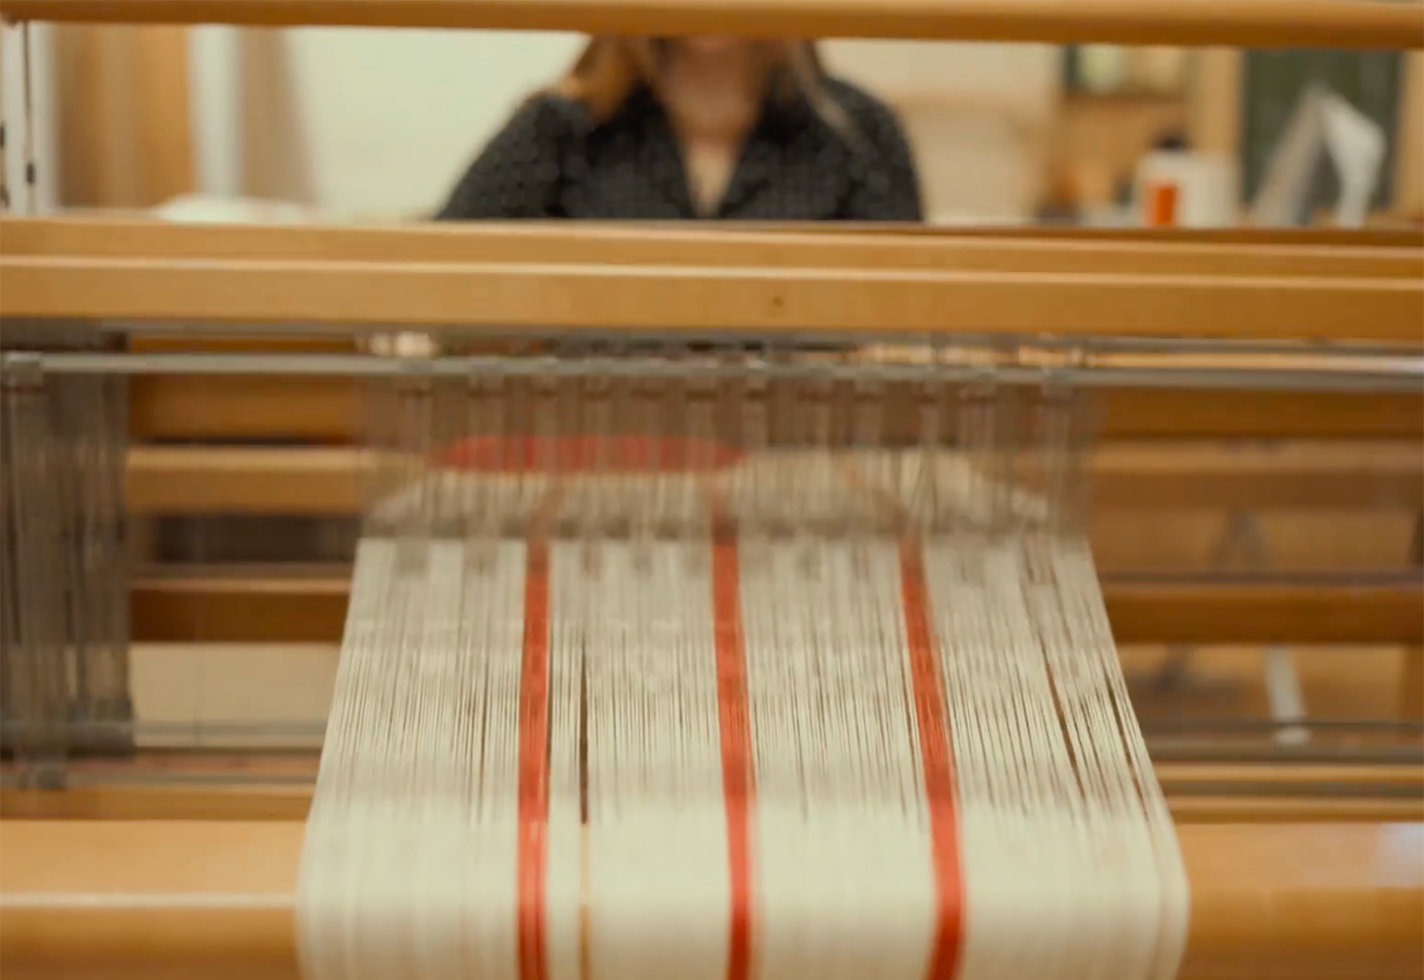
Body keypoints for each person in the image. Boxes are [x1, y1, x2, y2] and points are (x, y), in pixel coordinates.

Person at [435, 35, 923, 222]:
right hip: (595, 440)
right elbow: (436, 287)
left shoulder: (858, 132)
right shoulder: (558, 128)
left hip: (805, 442)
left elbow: (912, 327)